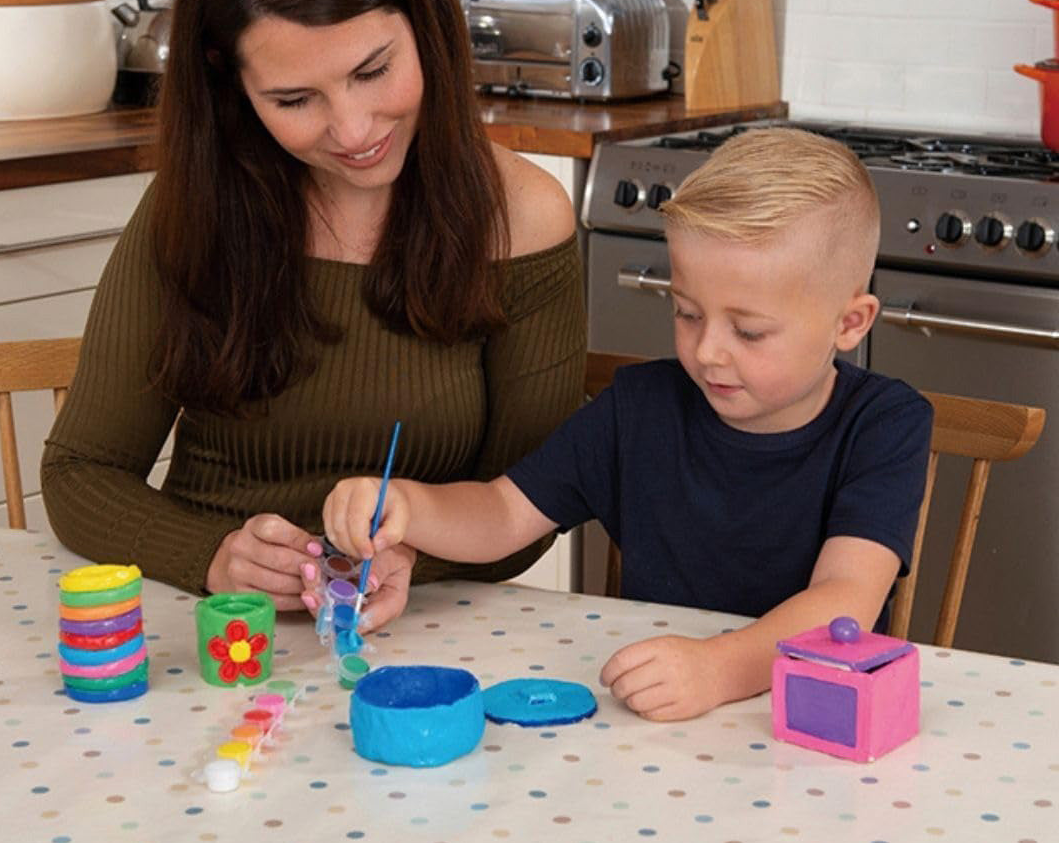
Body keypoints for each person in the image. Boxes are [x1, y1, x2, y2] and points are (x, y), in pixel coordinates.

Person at [41, 0, 585, 631]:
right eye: (295, 100)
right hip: (219, 632)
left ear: (425, 28)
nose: (355, 130)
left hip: (424, 634)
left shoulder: (522, 217)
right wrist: (212, 554)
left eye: (374, 70)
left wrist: (410, 556)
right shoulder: (195, 208)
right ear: (231, 85)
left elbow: (530, 501)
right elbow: (80, 474)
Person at [321, 127, 934, 721]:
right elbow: (503, 513)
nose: (709, 352)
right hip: (654, 715)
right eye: (687, 313)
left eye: (749, 331)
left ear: (850, 324)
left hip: (803, 722)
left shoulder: (884, 426)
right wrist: (407, 505)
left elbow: (845, 598)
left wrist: (718, 669)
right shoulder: (639, 409)